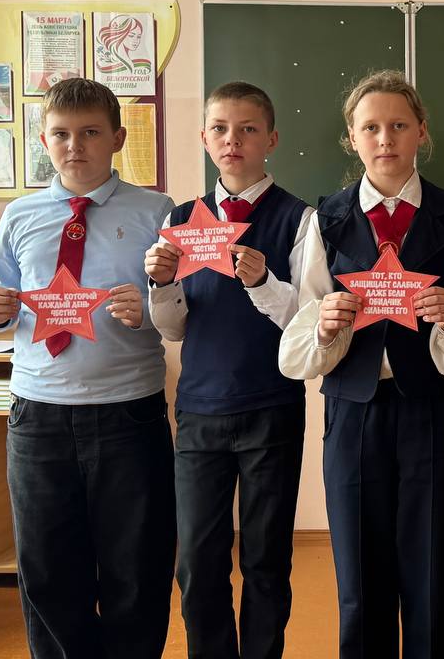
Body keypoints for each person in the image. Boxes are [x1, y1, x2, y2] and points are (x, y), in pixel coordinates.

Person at [278, 70, 444, 658]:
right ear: (352, 137)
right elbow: (305, 316)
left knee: (434, 565)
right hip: (354, 409)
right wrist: (324, 323)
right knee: (359, 567)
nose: (385, 138)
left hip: (433, 407)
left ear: (421, 131)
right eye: (371, 127)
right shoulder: (326, 217)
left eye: (398, 125)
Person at [0, 78, 176, 657]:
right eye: (61, 134)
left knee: (137, 569)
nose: (75, 146)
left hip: (128, 417)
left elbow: (180, 306)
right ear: (44, 141)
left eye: (90, 132)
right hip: (39, 419)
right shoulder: (20, 215)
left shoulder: (158, 211)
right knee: (49, 571)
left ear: (117, 138)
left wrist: (149, 309)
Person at [146, 81, 312, 659]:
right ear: (204, 138)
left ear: (272, 138)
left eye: (247, 129)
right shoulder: (181, 218)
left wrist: (263, 281)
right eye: (220, 128)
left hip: (272, 408)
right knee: (197, 560)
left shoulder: (299, 219)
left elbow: (306, 322)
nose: (232, 140)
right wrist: (160, 283)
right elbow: (172, 328)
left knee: (266, 559)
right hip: (199, 411)